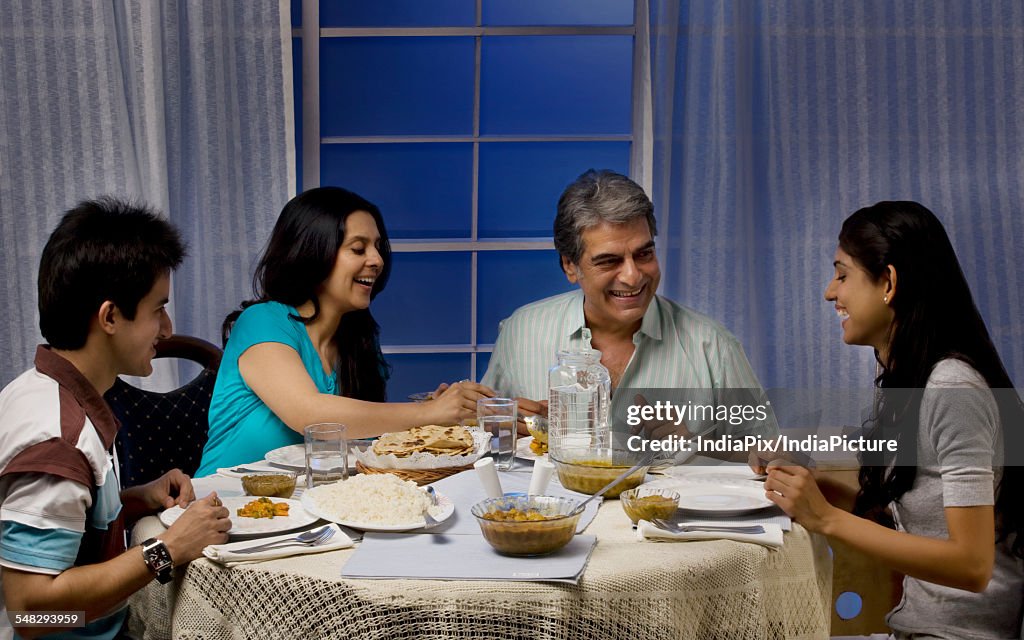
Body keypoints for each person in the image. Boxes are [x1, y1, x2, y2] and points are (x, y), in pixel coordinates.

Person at [758, 201, 1023, 638]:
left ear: (889, 282)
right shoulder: (914, 383)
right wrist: (817, 493)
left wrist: (826, 518)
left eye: (842, 274)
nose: (830, 292)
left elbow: (974, 566)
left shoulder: (953, 389)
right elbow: (919, 524)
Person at [0, 198, 230, 639]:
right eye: (157, 309)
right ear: (109, 317)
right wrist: (167, 550)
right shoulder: (58, 439)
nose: (166, 329)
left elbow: (67, 525)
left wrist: (133, 499)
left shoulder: (45, 389)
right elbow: (29, 615)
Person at [197, 187, 492, 474]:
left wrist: (435, 413)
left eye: (378, 247)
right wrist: (426, 414)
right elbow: (310, 415)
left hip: (310, 508)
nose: (377, 260)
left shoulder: (358, 339)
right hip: (225, 506)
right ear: (313, 252)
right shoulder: (262, 321)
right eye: (358, 248)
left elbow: (365, 434)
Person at [481, 169, 776, 445]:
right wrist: (501, 425)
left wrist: (695, 447)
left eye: (644, 254)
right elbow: (478, 436)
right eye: (609, 261)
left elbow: (771, 457)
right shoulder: (521, 331)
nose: (633, 275)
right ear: (570, 266)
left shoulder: (712, 346)